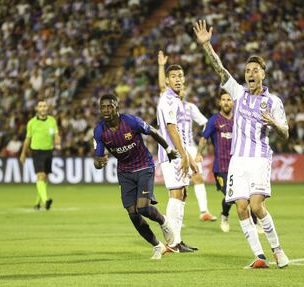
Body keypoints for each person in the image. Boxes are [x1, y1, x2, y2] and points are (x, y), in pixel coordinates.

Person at [194, 20, 289, 268]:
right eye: (248, 70)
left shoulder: (274, 102)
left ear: (263, 74)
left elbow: (286, 132)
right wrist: (206, 46)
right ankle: (259, 256)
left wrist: (275, 125)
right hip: (238, 160)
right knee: (241, 208)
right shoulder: (238, 93)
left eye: (255, 70)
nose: (250, 74)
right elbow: (220, 69)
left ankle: (278, 250)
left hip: (259, 159)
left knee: (257, 206)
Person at [93, 93, 177, 260]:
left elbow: (153, 131)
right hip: (124, 172)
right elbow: (97, 160)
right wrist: (99, 163)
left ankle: (164, 222)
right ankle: (157, 246)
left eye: (109, 106)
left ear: (117, 107)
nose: (106, 110)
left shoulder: (131, 121)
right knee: (132, 213)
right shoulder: (99, 131)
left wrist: (168, 149)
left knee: (143, 208)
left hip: (144, 165)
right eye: (103, 107)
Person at [158, 50, 217, 222]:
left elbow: (207, 124)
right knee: (179, 190)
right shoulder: (169, 101)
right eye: (175, 79)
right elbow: (162, 86)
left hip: (188, 145)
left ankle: (202, 212)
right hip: (177, 146)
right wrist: (161, 66)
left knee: (192, 182)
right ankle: (176, 225)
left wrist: (200, 145)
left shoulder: (190, 107)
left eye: (181, 82)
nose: (180, 86)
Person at [197, 90, 262, 233]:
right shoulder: (214, 120)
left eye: (229, 100)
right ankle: (225, 216)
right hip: (221, 166)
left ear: (233, 103)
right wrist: (198, 153)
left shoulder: (239, 120)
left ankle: (255, 223)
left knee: (248, 195)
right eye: (224, 100)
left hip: (239, 164)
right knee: (230, 197)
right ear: (220, 102)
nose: (226, 102)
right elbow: (203, 138)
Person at [156, 54, 199, 253]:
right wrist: (184, 156)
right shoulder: (169, 100)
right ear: (167, 80)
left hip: (178, 153)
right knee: (176, 194)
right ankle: (171, 241)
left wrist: (188, 157)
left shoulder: (172, 98)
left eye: (180, 75)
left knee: (182, 193)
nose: (178, 79)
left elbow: (178, 131)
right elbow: (172, 129)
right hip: (172, 154)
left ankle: (177, 241)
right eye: (173, 76)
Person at [19, 99, 61, 210]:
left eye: (44, 106)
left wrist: (58, 142)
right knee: (40, 175)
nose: (43, 108)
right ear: (37, 109)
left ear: (47, 108)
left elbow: (56, 134)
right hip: (37, 152)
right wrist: (23, 153)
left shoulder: (52, 121)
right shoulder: (31, 123)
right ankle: (46, 200)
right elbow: (27, 139)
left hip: (49, 151)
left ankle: (37, 203)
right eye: (40, 106)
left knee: (45, 178)